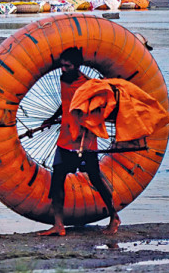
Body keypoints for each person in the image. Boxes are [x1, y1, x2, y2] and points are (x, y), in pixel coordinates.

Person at [38, 47, 120, 236]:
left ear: (77, 66)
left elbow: (96, 109)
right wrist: (52, 118)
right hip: (65, 138)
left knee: (95, 178)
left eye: (67, 66)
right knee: (57, 178)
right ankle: (59, 225)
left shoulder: (88, 86)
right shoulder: (63, 79)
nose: (63, 69)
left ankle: (114, 216)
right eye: (62, 66)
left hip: (84, 140)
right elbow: (67, 102)